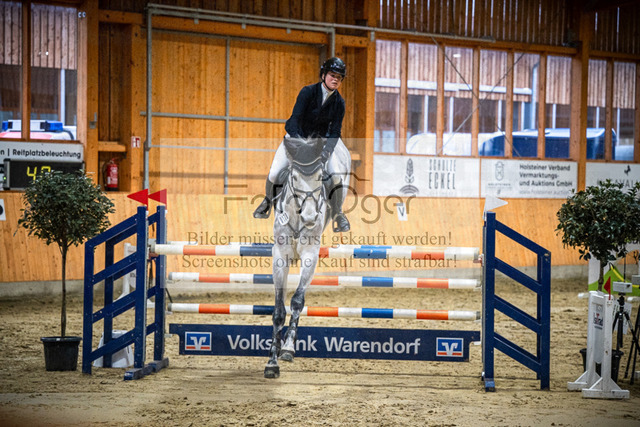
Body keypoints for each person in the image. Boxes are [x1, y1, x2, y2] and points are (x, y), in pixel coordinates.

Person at [253, 57, 350, 232]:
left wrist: (327, 152)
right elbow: (294, 120)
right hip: (295, 140)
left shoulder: (339, 103)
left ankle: (337, 213)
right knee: (275, 172)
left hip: (319, 146)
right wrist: (299, 144)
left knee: (336, 177)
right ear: (323, 75)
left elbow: (335, 131)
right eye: (332, 75)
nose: (335, 79)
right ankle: (267, 202)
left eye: (339, 77)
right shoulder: (307, 92)